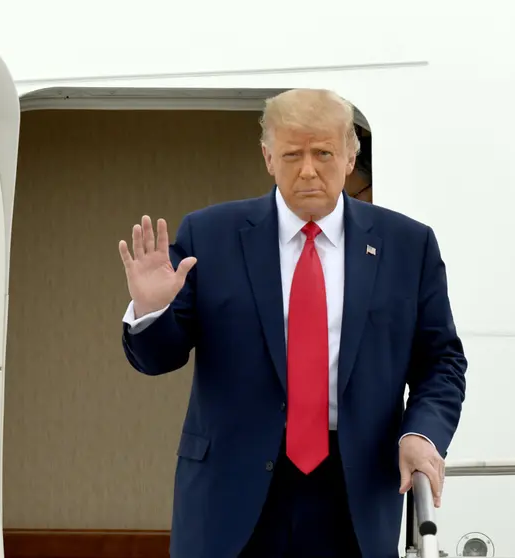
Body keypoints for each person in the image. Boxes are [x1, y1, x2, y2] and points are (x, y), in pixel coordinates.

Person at [117, 88, 467, 558]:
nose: (307, 169)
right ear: (267, 157)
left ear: (349, 156)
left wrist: (420, 434)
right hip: (231, 494)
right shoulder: (210, 235)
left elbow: (441, 362)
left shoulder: (407, 245)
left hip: (355, 490)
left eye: (323, 152)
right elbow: (158, 358)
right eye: (291, 154)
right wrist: (151, 311)